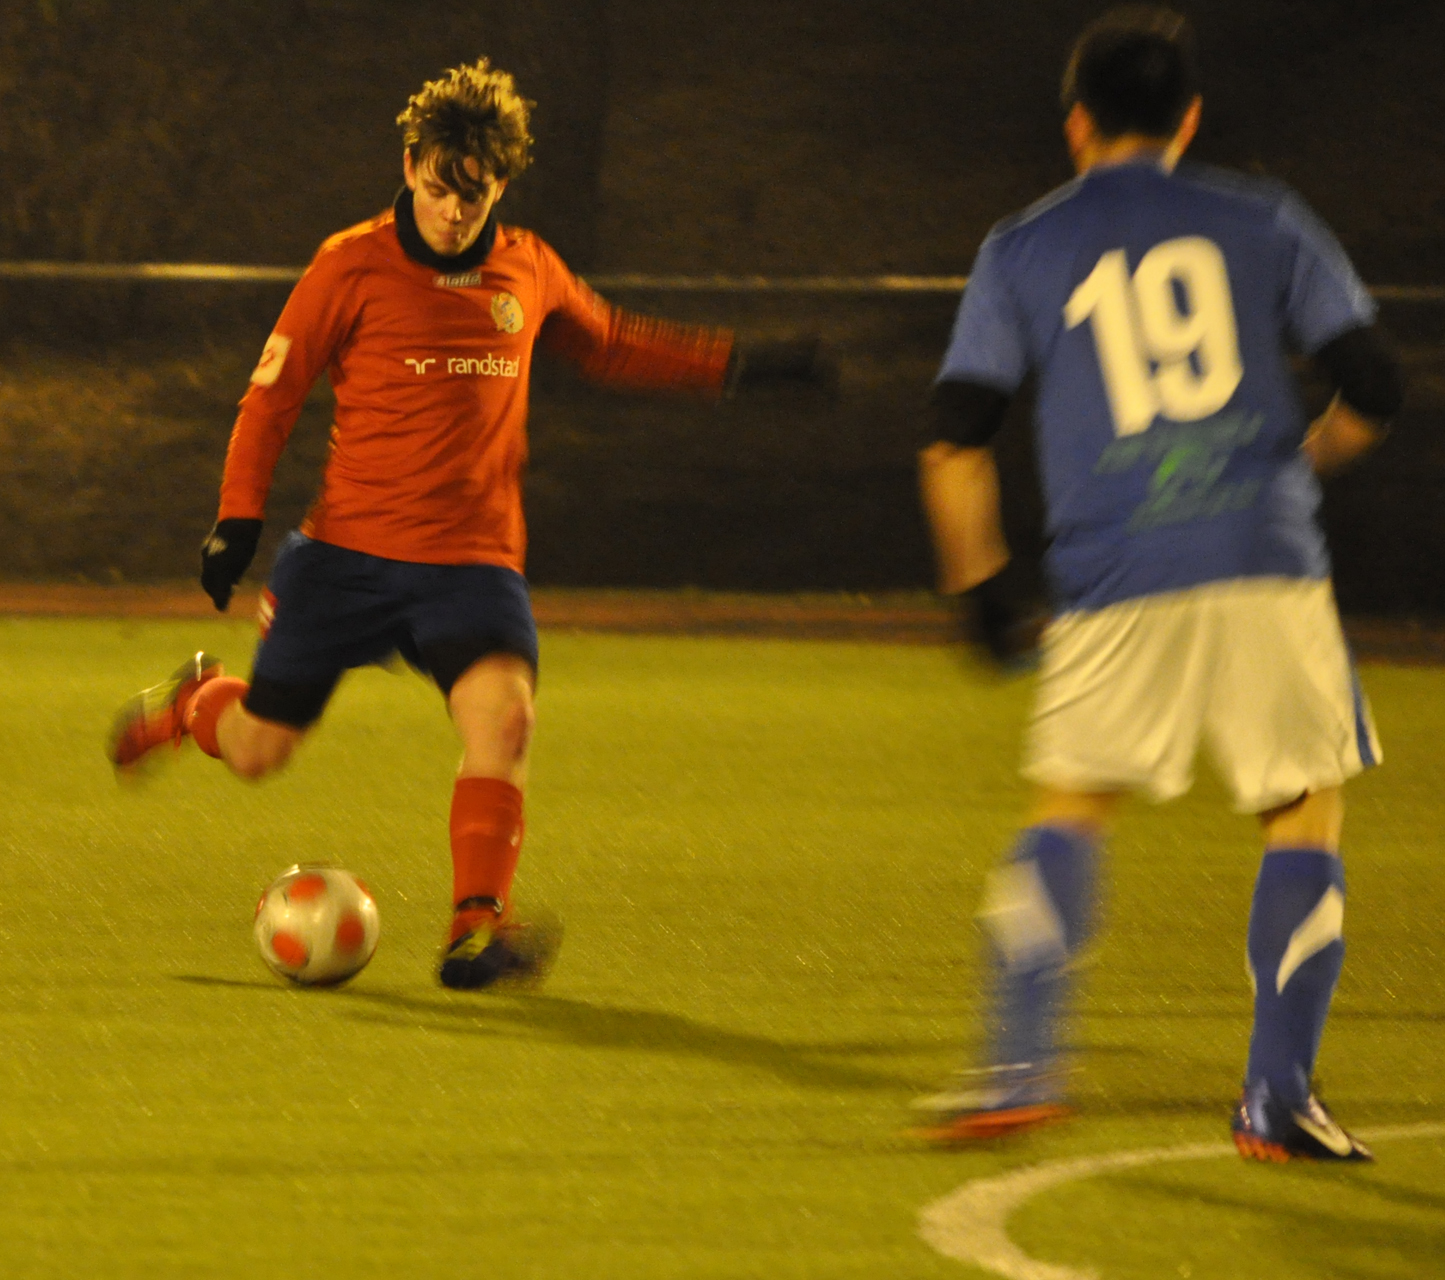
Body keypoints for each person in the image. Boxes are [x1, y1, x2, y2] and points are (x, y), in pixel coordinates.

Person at [107, 58, 823, 991]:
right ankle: (195, 702)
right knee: (255, 752)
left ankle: (475, 929)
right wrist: (235, 520)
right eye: (440, 188)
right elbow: (271, 397)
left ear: (500, 187)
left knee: (505, 717)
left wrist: (740, 367)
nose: (453, 211)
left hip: (472, 565)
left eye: (472, 195)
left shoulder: (527, 266)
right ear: (411, 165)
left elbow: (612, 344)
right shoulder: (348, 265)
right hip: (345, 558)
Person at [913, 7, 1403, 1161]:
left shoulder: (1021, 245)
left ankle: (1017, 1064)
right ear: (1187, 119)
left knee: (1069, 805)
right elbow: (1373, 384)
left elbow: (955, 434)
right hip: (1264, 565)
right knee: (1299, 807)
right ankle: (1274, 1096)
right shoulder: (1263, 216)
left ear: (1075, 124)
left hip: (1110, 569)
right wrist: (1299, 462)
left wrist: (980, 586)